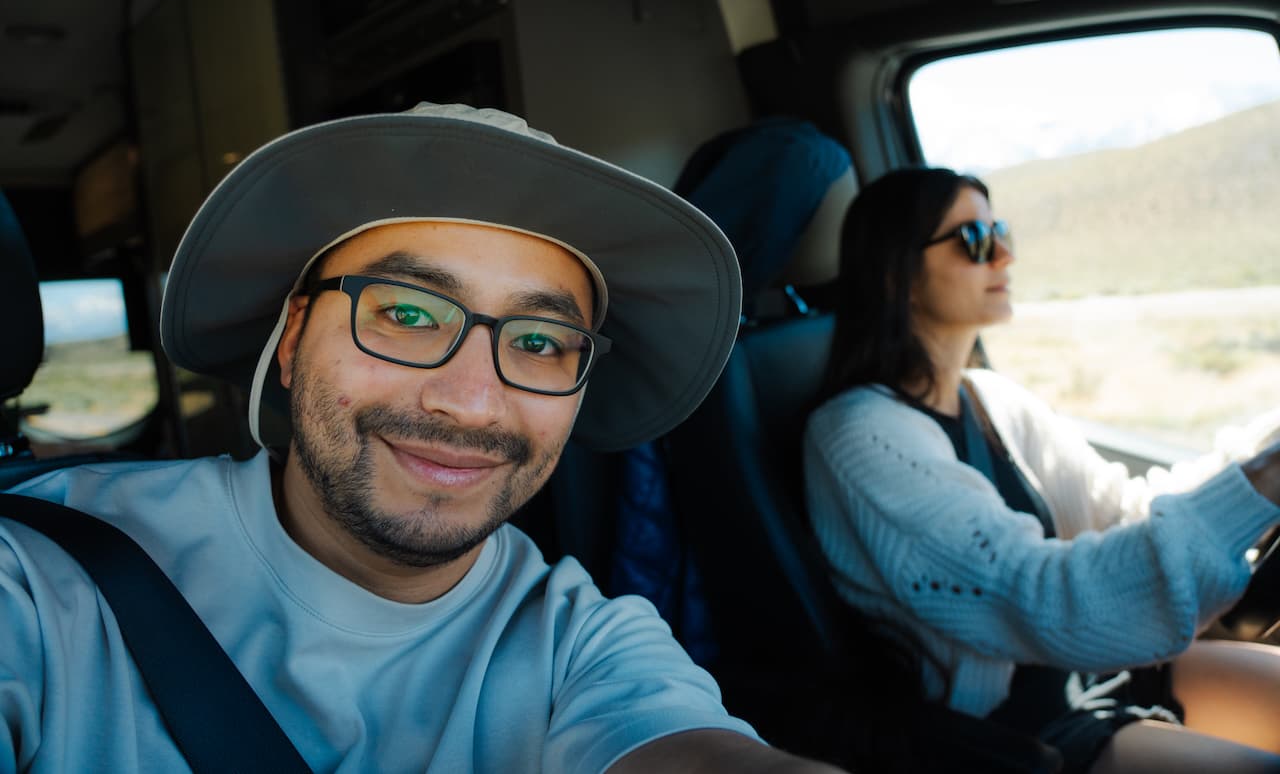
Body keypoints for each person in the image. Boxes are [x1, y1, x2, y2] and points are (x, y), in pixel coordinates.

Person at [1, 103, 846, 773]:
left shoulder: (578, 638)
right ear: (293, 342)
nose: (472, 402)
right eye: (405, 314)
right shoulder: (40, 581)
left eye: (541, 342)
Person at [803, 166, 1280, 773]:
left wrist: (1264, 453)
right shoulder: (858, 436)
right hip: (1018, 728)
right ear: (898, 273)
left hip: (1097, 667)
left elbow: (1123, 510)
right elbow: (1038, 597)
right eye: (974, 240)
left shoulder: (991, 399)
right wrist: (1265, 481)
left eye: (1000, 230)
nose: (1004, 254)